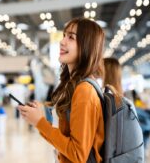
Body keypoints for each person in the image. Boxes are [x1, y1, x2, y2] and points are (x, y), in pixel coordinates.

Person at [18, 18, 105, 163]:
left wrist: (40, 122)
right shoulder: (75, 86)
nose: (62, 41)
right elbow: (65, 141)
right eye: (64, 35)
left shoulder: (85, 91)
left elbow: (78, 155)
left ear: (87, 46)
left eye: (71, 37)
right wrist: (40, 117)